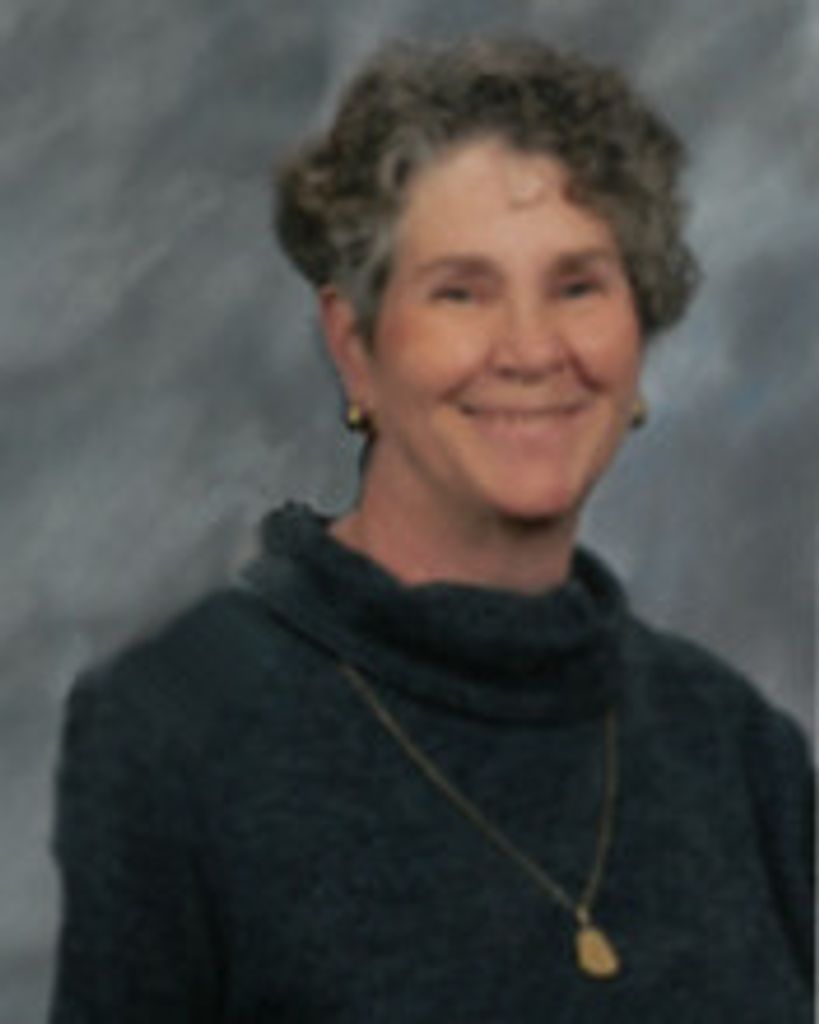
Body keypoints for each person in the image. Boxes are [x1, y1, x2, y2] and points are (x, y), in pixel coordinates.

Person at [49, 37, 813, 1022]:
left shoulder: (736, 746)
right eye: (461, 291)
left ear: (639, 323)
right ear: (354, 344)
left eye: (577, 285)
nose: (531, 350)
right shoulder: (177, 729)